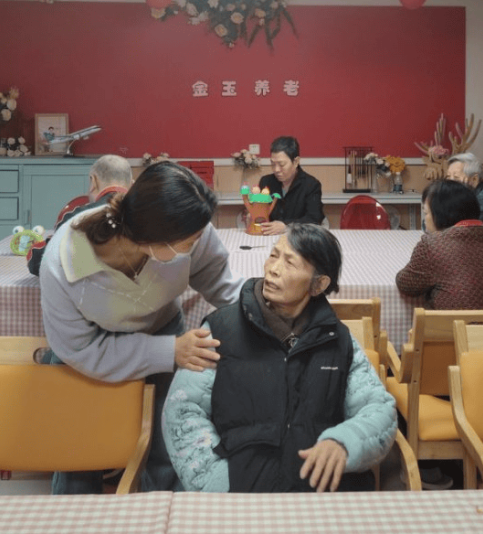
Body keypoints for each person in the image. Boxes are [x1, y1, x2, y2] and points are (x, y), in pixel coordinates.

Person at [39, 161, 244, 494]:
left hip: (162, 327)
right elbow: (80, 349)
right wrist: (169, 351)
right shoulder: (64, 263)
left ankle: (165, 509)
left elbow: (220, 282)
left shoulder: (191, 228)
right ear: (155, 240)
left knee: (171, 439)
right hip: (88, 350)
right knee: (79, 451)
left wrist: (261, 307)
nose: (198, 242)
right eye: (190, 241)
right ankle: (73, 513)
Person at [163, 223, 397, 493]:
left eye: (290, 263)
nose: (273, 269)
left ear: (318, 284)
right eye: (274, 255)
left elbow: (378, 409)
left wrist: (344, 442)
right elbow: (182, 410)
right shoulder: (220, 331)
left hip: (323, 494)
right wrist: (215, 480)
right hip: (239, 494)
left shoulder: (337, 340)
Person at [396, 179, 483, 311]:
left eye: (426, 213)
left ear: (440, 215)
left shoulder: (433, 245)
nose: (424, 220)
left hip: (457, 324)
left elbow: (406, 284)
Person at [27, 154, 131, 276]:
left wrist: (36, 247)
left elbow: (39, 263)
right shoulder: (146, 213)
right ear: (131, 184)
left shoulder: (77, 216)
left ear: (93, 181)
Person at [256, 136, 325, 235]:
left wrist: (286, 226)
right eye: (273, 164)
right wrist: (253, 215)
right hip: (269, 236)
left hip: (299, 238)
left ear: (296, 162)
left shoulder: (311, 185)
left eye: (281, 164)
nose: (276, 169)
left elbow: (314, 219)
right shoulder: (266, 182)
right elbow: (261, 210)